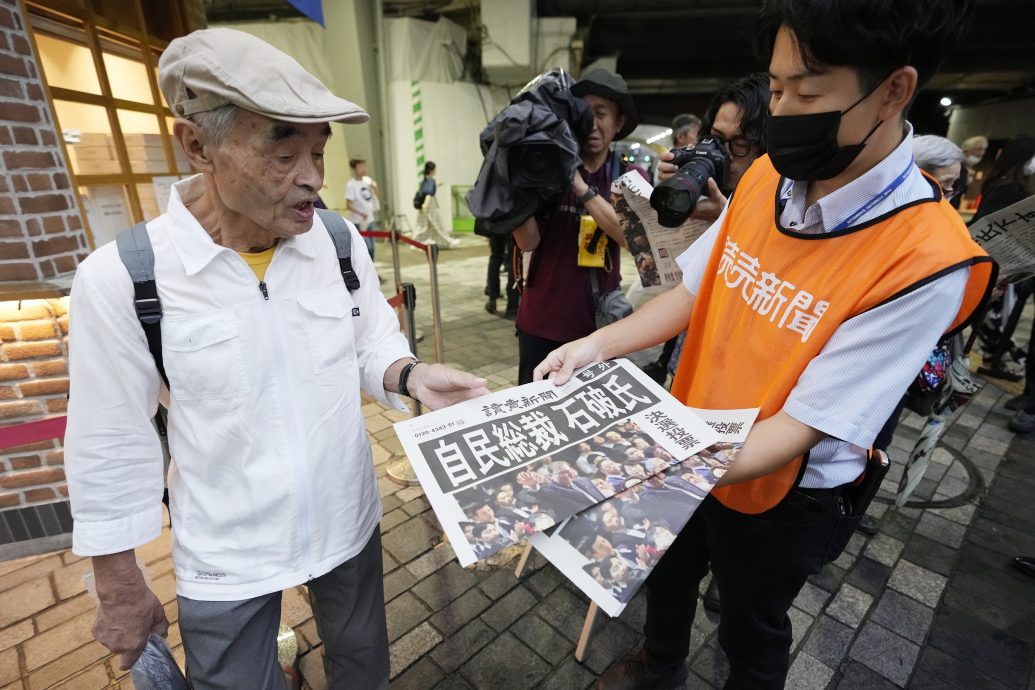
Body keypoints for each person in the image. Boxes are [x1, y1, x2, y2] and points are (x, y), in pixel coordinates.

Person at [534, 1, 995, 686]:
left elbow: (802, 425)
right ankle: (657, 666)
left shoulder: (923, 258)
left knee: (751, 625)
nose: (780, 111)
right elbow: (694, 294)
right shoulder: (764, 182)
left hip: (788, 486)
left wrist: (625, 461)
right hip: (692, 435)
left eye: (804, 92)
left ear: (893, 90)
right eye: (774, 88)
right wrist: (593, 346)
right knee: (665, 573)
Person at [63, 29, 489, 690]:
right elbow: (109, 441)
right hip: (225, 548)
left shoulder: (339, 241)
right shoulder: (125, 277)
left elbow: (369, 339)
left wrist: (408, 374)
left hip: (346, 517)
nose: (312, 179)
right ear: (196, 145)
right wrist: (116, 579)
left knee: (360, 669)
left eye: (318, 151)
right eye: (282, 150)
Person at [511, 68, 641, 384]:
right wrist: (513, 196)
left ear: (619, 122)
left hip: (597, 332)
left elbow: (632, 239)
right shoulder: (546, 169)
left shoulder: (629, 177)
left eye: (602, 114)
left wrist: (582, 188)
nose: (593, 124)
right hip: (539, 323)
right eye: (584, 113)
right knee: (535, 421)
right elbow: (527, 243)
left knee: (591, 425)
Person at [639, 74, 770, 384]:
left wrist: (725, 216)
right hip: (688, 356)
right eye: (716, 140)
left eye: (740, 144)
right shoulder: (718, 180)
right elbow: (685, 293)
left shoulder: (789, 210)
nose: (724, 156)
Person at [414, 161, 459, 248]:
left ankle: (418, 241)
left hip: (426, 204)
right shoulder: (431, 180)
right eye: (435, 169)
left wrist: (437, 184)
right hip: (430, 205)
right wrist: (426, 204)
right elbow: (429, 193)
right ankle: (447, 241)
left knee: (424, 225)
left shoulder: (426, 179)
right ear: (431, 170)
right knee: (437, 224)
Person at [345, 156, 379, 258]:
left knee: (372, 248)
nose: (364, 168)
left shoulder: (367, 180)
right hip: (359, 221)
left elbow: (376, 196)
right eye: (360, 166)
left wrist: (375, 187)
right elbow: (348, 204)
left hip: (369, 219)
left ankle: (371, 270)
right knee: (366, 248)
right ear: (354, 168)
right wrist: (360, 213)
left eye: (364, 165)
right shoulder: (351, 184)